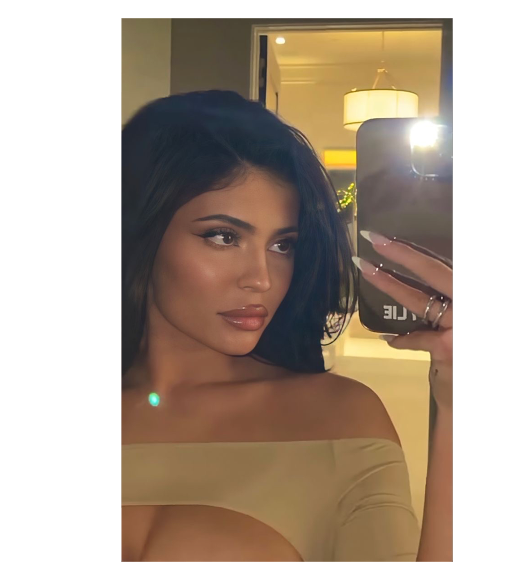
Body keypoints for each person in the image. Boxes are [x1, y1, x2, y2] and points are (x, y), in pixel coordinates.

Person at [121, 91, 453, 562]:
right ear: (140, 233)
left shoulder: (338, 418)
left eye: (282, 245)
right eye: (224, 236)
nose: (261, 279)